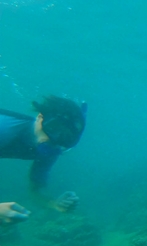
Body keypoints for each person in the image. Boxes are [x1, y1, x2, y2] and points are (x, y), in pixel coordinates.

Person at [0, 95, 87, 224]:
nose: (54, 139)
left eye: (64, 136)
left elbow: (36, 189)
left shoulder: (50, 148)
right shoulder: (4, 130)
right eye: (53, 128)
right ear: (40, 117)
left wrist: (54, 203)